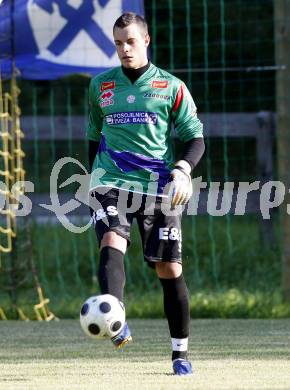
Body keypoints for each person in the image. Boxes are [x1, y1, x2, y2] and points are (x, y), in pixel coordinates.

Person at [86, 12, 204, 376]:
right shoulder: (100, 86)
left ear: (146, 40)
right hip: (110, 181)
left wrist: (183, 170)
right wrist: (93, 180)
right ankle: (115, 317)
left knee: (169, 269)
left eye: (131, 42)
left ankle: (180, 353)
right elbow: (93, 136)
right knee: (111, 237)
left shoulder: (171, 87)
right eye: (118, 43)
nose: (124, 49)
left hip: (157, 187)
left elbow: (194, 139)